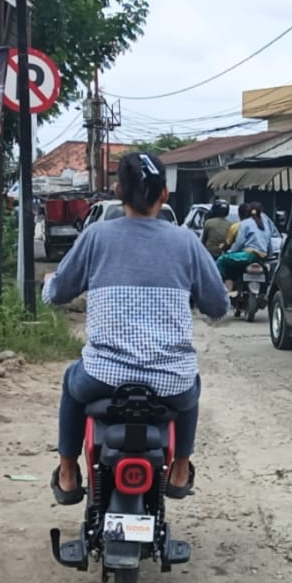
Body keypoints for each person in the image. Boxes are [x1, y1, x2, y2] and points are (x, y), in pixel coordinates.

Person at [42, 151, 230, 505]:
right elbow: (218, 306)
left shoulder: (96, 236)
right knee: (191, 381)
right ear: (165, 194)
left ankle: (67, 473)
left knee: (71, 381)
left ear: (117, 191)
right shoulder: (186, 241)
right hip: (170, 382)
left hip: (103, 376)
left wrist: (49, 285)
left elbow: (59, 292)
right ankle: (180, 469)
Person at [217, 201, 271, 292]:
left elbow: (239, 242)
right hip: (262, 257)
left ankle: (224, 289)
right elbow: (270, 244)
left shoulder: (245, 223)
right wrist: (268, 256)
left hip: (248, 256)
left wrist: (231, 252)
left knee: (221, 260)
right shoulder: (266, 225)